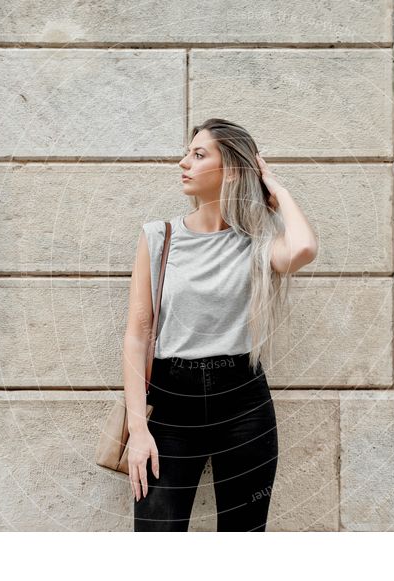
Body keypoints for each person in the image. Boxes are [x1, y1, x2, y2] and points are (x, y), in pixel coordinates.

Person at [123, 118, 318, 532]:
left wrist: (274, 187)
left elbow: (302, 248)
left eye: (198, 155)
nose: (183, 163)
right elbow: (137, 334)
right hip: (171, 404)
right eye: (187, 154)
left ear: (230, 168)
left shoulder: (257, 242)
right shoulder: (160, 237)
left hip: (243, 402)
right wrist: (138, 430)